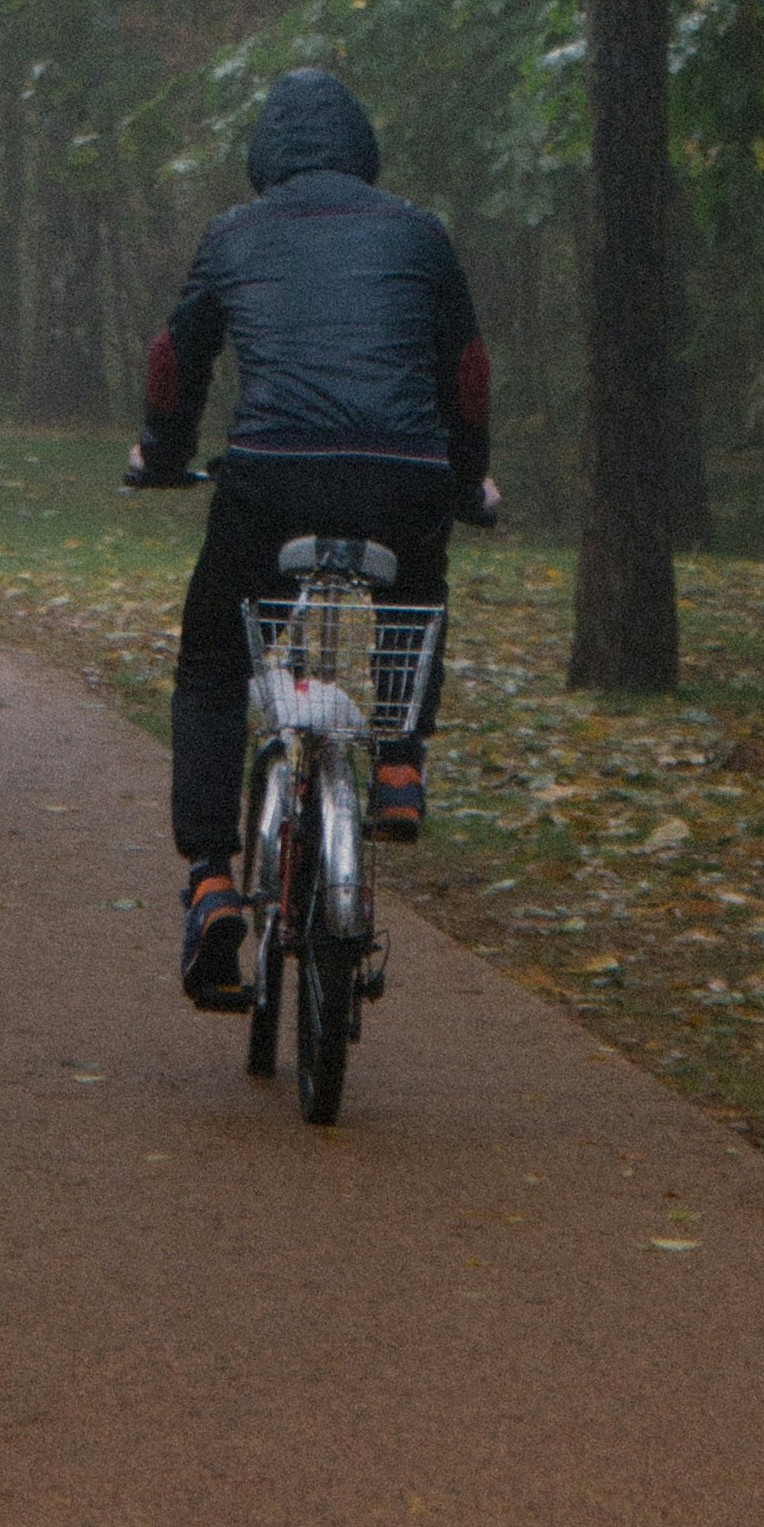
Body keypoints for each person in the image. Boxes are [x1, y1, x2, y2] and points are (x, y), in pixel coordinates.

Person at [124, 65, 495, 1009]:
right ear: (363, 150)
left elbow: (176, 361)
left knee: (213, 662)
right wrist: (466, 478)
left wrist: (161, 455)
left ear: (263, 156)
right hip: (400, 477)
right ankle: (402, 764)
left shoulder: (232, 234)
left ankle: (211, 879)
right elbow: (467, 371)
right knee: (417, 591)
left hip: (270, 476)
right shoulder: (420, 232)